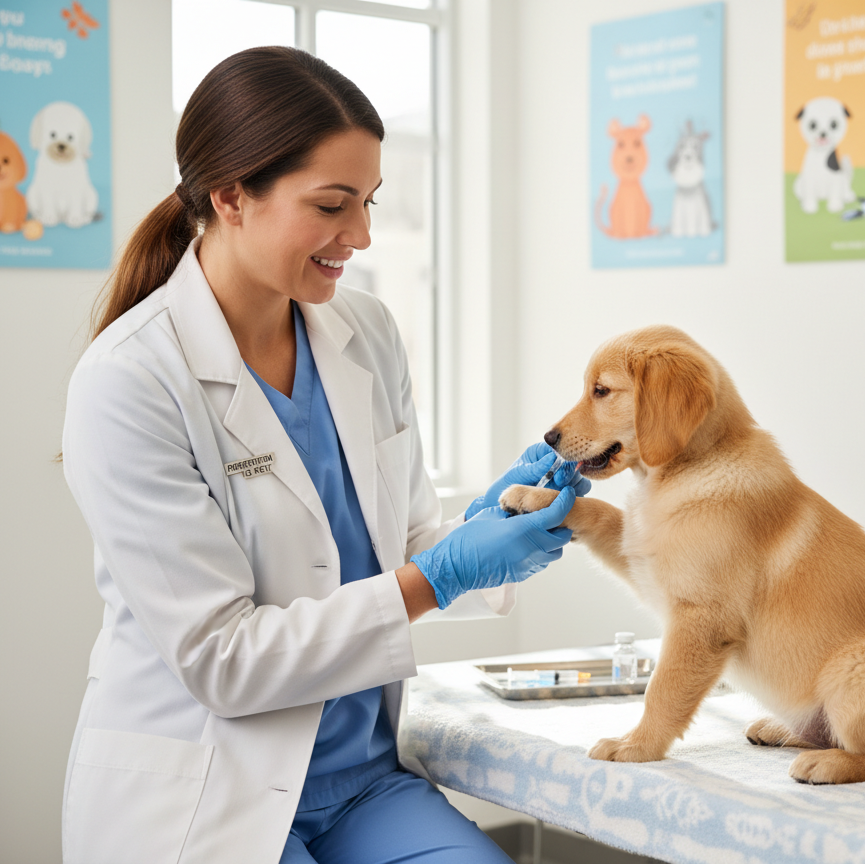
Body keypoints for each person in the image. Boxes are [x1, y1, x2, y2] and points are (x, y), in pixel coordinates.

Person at [60, 47, 584, 864]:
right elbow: (223, 660)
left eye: (369, 202)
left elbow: (403, 544)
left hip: (362, 780)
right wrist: (442, 575)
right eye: (333, 205)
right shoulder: (128, 381)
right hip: (206, 794)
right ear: (232, 194)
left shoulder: (365, 332)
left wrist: (485, 531)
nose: (364, 236)